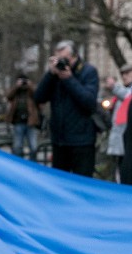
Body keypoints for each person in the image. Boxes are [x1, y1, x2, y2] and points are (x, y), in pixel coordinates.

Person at [33, 40, 100, 176]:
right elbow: (39, 97)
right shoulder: (55, 75)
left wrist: (69, 79)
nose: (61, 62)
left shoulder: (88, 71)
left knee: (82, 182)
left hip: (82, 140)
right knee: (60, 182)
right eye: (58, 59)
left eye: (64, 59)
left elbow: (89, 102)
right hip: (59, 139)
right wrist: (50, 74)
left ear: (74, 56)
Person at [106, 64, 132, 171]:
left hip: (128, 140)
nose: (124, 76)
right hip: (120, 139)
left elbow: (128, 97)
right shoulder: (125, 88)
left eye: (127, 73)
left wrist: (114, 87)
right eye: (122, 74)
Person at [5, 73, 41, 160]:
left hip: (31, 122)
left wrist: (30, 85)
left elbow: (39, 96)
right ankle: (20, 165)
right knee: (17, 147)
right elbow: (8, 97)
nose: (23, 83)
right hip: (18, 122)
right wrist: (16, 87)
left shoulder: (31, 91)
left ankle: (33, 166)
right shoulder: (16, 92)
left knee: (33, 147)